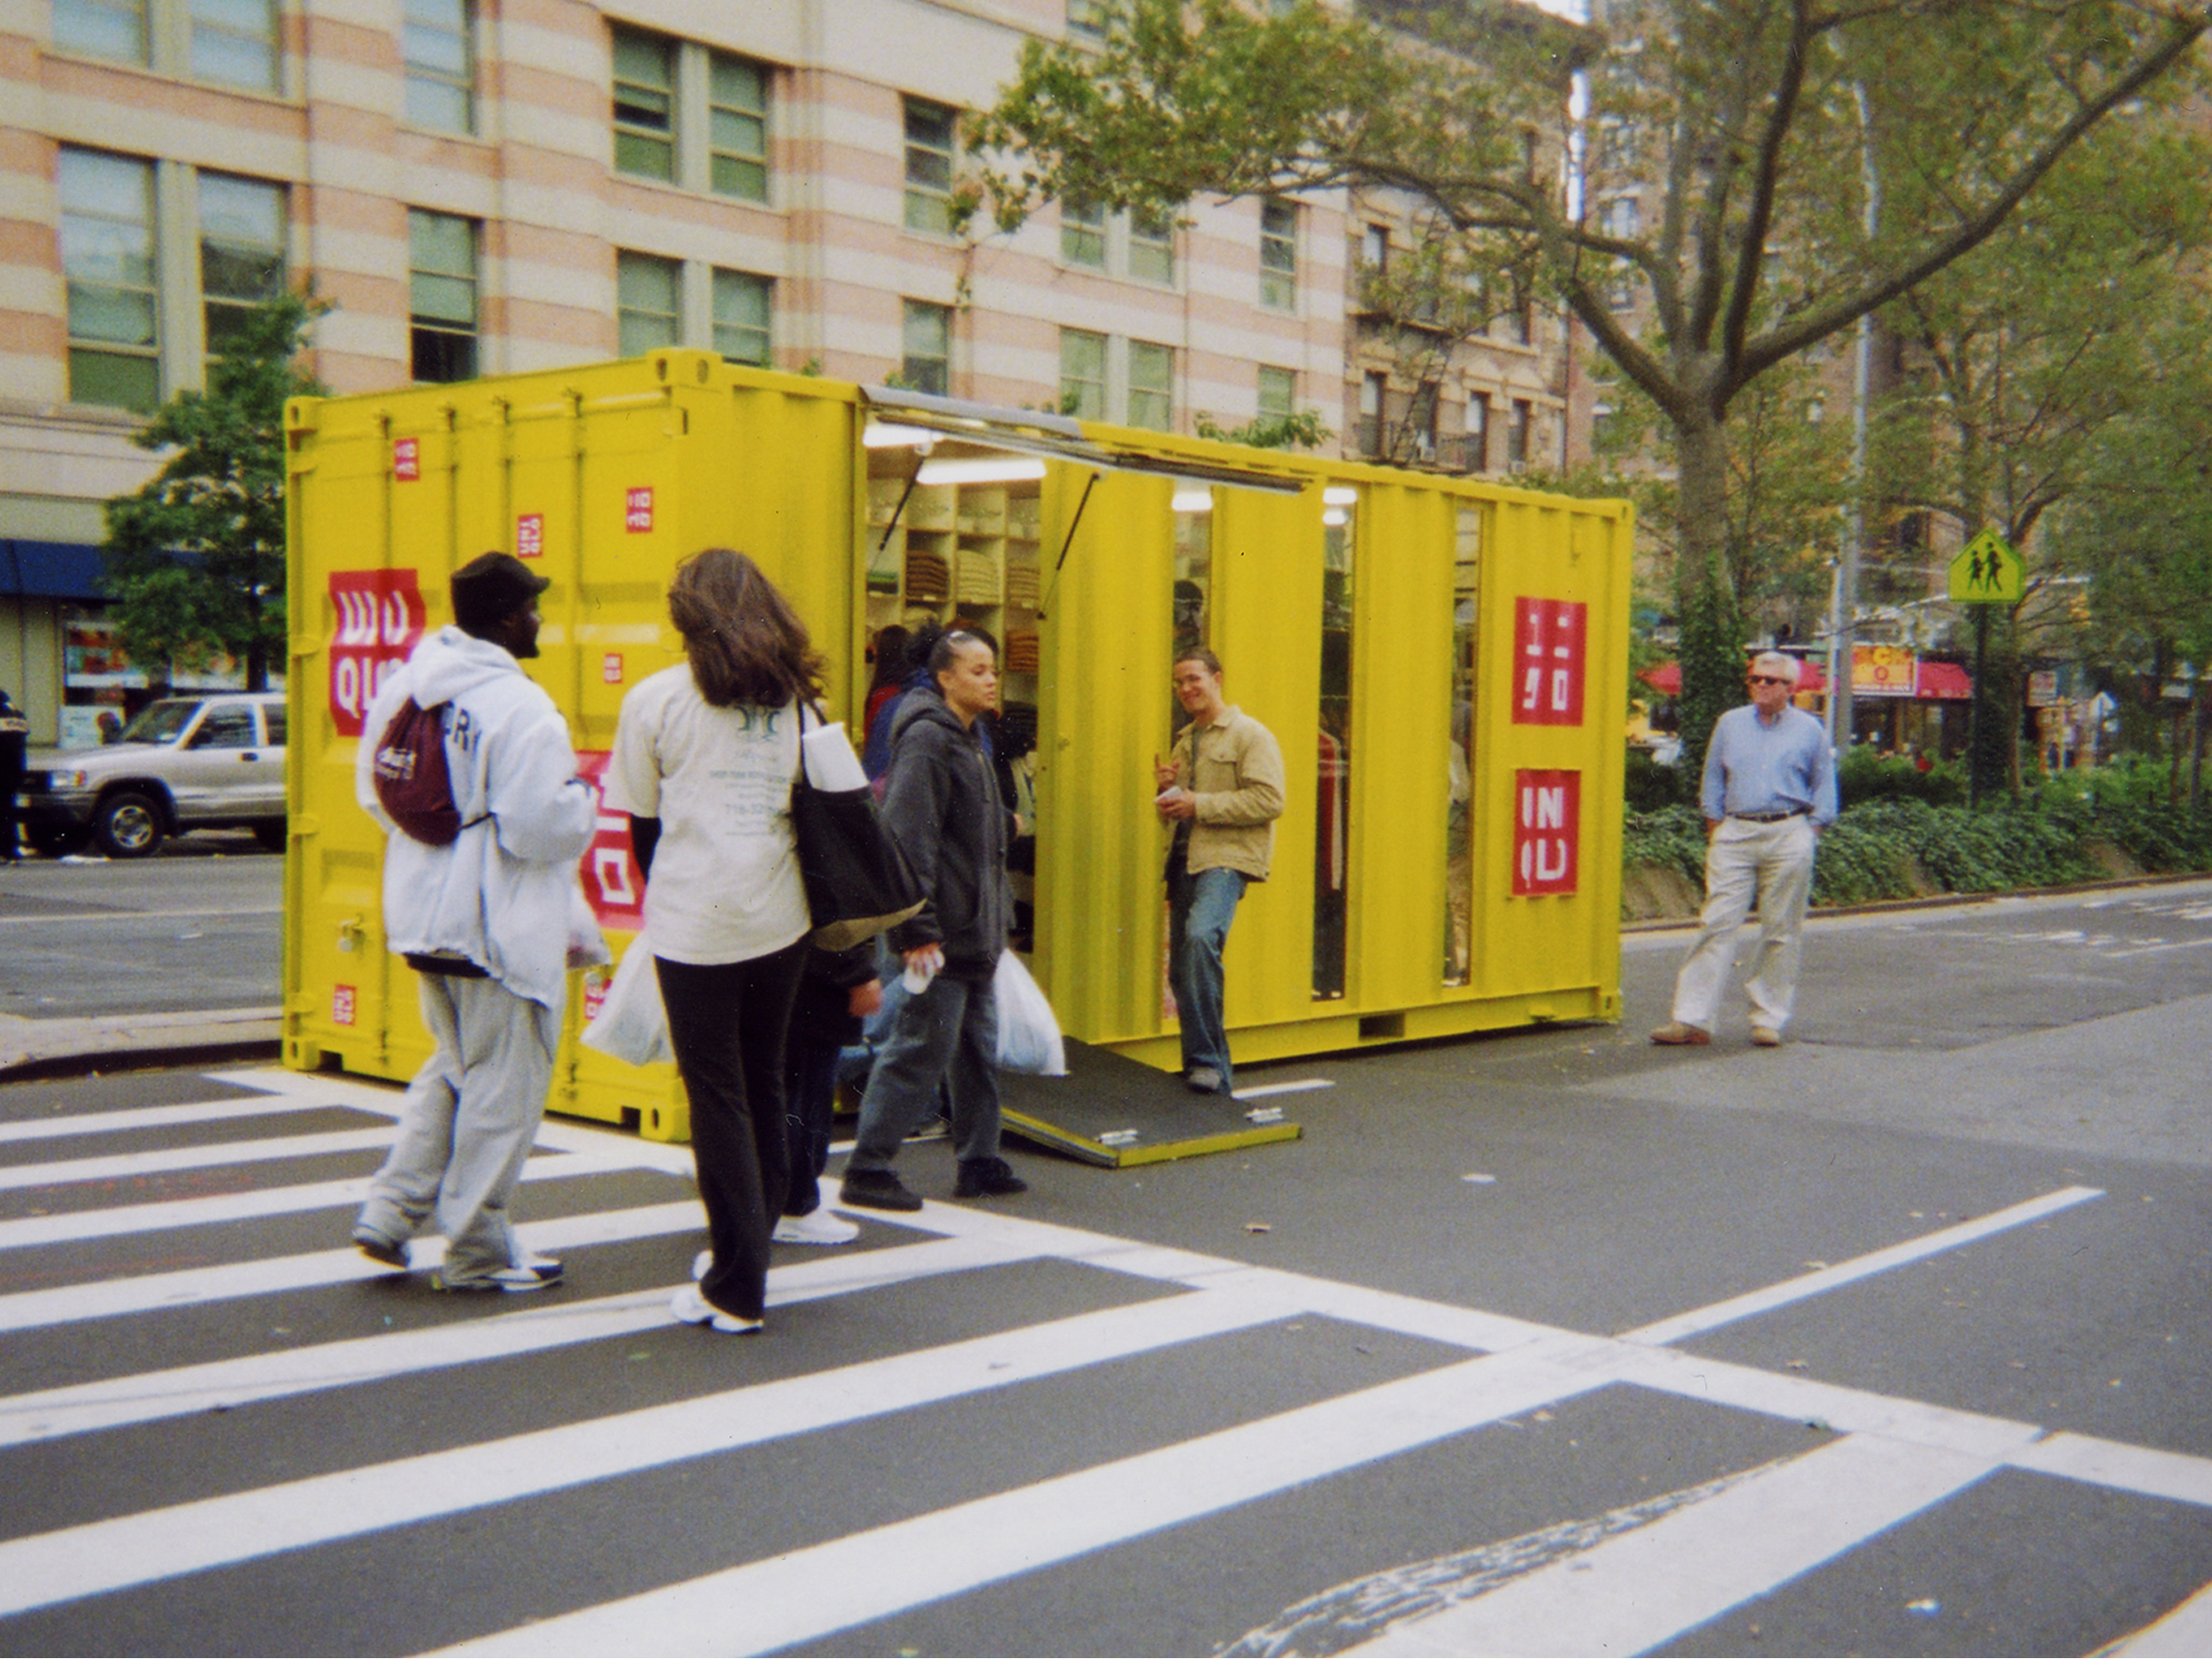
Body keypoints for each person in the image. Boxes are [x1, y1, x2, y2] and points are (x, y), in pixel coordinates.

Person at [351, 551, 596, 1291]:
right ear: (502, 617)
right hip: (500, 924)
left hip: (423, 914)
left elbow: (377, 792)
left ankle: (391, 1212)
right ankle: (477, 1249)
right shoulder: (521, 708)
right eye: (530, 608)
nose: (539, 619)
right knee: (504, 1088)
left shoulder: (406, 685)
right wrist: (583, 798)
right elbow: (537, 828)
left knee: (455, 1069)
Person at [606, 548, 823, 1335]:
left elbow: (641, 823)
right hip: (783, 916)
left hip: (695, 920)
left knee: (717, 1096)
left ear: (684, 612)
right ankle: (749, 1250)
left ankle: (735, 1287)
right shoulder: (799, 703)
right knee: (763, 1082)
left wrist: (668, 896)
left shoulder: (655, 700)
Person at [840, 630, 1026, 1211]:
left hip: (976, 934)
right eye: (977, 671)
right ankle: (868, 1167)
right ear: (944, 677)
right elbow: (907, 837)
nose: (991, 679)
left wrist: (1008, 824)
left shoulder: (970, 735)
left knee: (975, 1051)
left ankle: (979, 1160)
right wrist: (917, 929)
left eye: (992, 669)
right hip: (941, 935)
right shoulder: (927, 738)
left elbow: (966, 820)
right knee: (917, 1050)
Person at [1652, 651, 1839, 1049]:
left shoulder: (1809, 729)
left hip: (1788, 830)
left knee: (1780, 929)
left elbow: (1824, 784)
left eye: (1771, 681)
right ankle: (1691, 1019)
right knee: (1715, 923)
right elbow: (1713, 777)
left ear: (1791, 688)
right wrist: (1715, 824)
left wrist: (1812, 831)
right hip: (1736, 831)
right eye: (1755, 679)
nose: (1760, 686)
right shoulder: (1730, 723)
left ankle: (1767, 1018)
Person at [1153, 648, 1286, 1094]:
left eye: (1194, 679)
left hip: (1227, 858)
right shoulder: (1185, 739)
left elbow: (1271, 801)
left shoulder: (1251, 735)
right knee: (1182, 967)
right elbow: (1175, 813)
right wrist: (1166, 793)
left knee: (1199, 938)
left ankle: (1208, 1062)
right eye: (1179, 683)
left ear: (1217, 679)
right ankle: (1205, 1070)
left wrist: (1197, 803)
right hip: (1184, 858)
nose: (1187, 689)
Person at [776, 941, 879, 1243]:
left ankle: (740, 1191)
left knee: (774, 1090)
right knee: (806, 1095)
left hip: (760, 967)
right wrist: (859, 973)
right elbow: (833, 915)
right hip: (811, 982)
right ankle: (795, 1206)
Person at [0, 688, 27, 862]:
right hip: (15, 768)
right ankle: (12, 850)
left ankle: (6, 850)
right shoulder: (19, 716)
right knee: (8, 809)